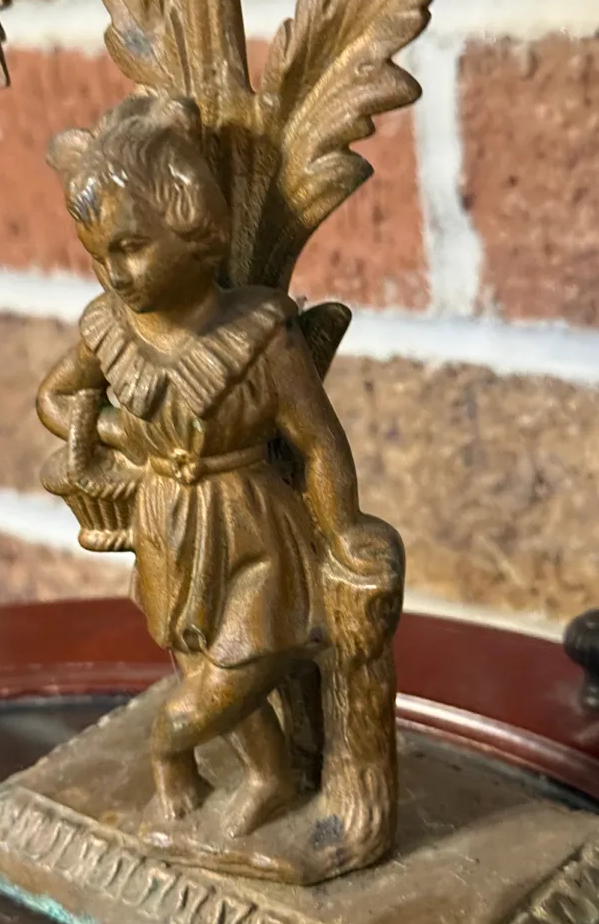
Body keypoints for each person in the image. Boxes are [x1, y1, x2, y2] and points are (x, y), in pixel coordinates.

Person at [37, 93, 396, 840]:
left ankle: (169, 750)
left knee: (228, 674)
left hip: (250, 530)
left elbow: (318, 443)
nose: (115, 273)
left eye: (132, 247)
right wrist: (113, 430)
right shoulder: (109, 330)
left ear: (195, 229)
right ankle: (268, 775)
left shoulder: (261, 335)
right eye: (98, 255)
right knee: (197, 667)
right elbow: (55, 398)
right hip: (165, 526)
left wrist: (344, 529)